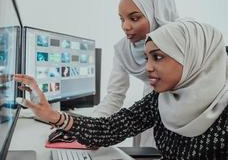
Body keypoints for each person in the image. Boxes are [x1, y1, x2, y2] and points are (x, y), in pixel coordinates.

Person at [14, 20, 228, 159]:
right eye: (147, 58)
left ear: (192, 58)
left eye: (158, 57)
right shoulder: (160, 99)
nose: (148, 67)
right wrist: (53, 116)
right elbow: (109, 130)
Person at [93, 0, 179, 147]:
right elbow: (114, 95)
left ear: (157, 15)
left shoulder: (183, 45)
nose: (125, 26)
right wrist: (92, 128)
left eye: (134, 18)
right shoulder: (123, 49)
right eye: (121, 19)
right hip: (150, 108)